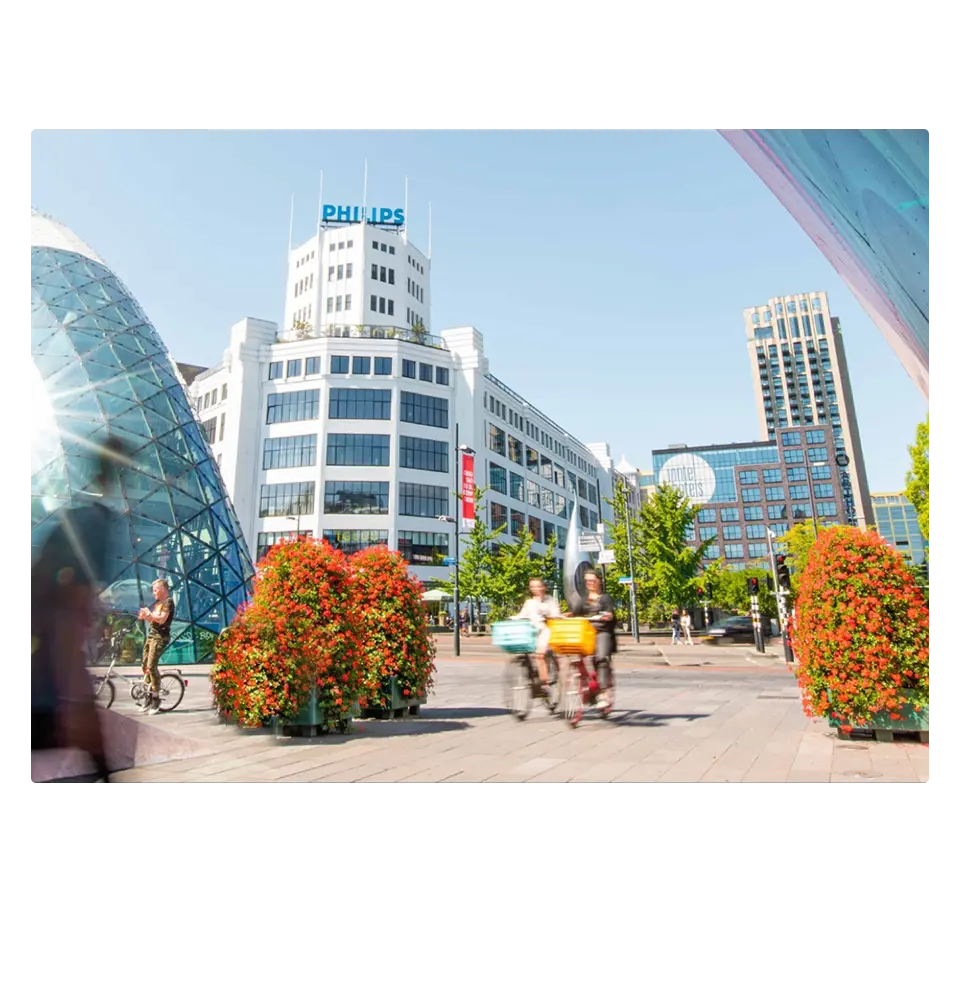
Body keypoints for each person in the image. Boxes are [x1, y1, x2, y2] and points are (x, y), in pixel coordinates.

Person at [24, 436, 129, 782]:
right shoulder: (93, 524)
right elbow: (70, 604)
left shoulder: (80, 517)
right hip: (45, 658)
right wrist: (71, 690)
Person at [569, 569, 616, 710]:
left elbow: (610, 613)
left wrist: (607, 616)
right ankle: (585, 685)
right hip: (585, 633)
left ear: (598, 581)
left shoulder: (605, 598)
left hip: (602, 632)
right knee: (574, 655)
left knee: (600, 658)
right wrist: (562, 615)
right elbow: (574, 612)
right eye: (587, 581)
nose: (589, 583)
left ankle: (602, 693)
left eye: (592, 580)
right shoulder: (583, 599)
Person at [515, 578, 561, 691]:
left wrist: (550, 616)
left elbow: (556, 614)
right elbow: (522, 615)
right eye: (532, 586)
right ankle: (533, 675)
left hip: (545, 630)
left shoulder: (550, 600)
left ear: (543, 587)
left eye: (538, 586)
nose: (536, 588)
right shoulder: (529, 602)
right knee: (527, 652)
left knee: (540, 655)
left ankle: (544, 683)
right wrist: (513, 619)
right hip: (531, 631)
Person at [138, 579, 175, 714]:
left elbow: (162, 619)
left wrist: (149, 614)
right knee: (145, 665)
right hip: (151, 636)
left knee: (151, 666)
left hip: (160, 637)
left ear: (163, 589)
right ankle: (148, 697)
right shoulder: (159, 604)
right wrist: (146, 616)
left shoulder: (168, 602)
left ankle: (155, 699)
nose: (153, 593)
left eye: (155, 590)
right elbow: (154, 619)